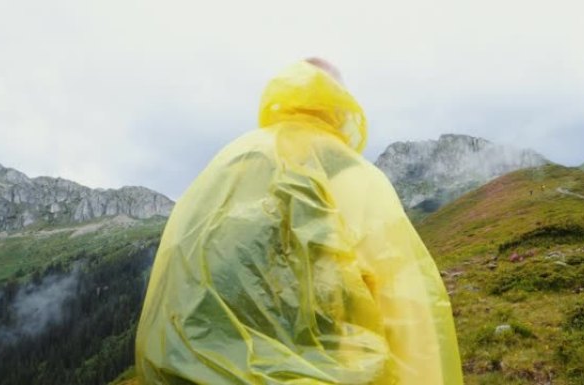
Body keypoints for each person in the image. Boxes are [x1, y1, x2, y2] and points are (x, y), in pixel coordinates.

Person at [135, 58, 463, 384]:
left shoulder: (231, 163)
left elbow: (178, 279)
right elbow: (404, 303)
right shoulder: (358, 178)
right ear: (340, 107)